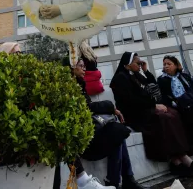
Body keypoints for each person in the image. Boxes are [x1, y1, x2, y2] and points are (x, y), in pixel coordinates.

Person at [110, 52, 193, 178]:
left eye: (140, 63)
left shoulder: (134, 75)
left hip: (144, 109)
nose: (140, 65)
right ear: (127, 64)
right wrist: (153, 106)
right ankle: (184, 160)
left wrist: (145, 70)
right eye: (137, 63)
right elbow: (130, 101)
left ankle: (176, 162)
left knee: (174, 113)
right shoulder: (120, 78)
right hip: (134, 115)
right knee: (163, 117)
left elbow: (151, 84)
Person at [60, 57, 143, 189]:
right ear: (71, 67)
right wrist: (111, 107)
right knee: (117, 131)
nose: (84, 69)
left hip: (91, 131)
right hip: (83, 139)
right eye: (81, 66)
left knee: (118, 131)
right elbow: (87, 108)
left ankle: (124, 179)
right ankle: (119, 180)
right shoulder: (65, 87)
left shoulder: (79, 83)